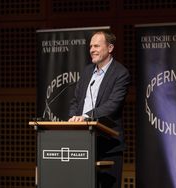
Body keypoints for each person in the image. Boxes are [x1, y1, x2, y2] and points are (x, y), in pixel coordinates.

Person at [68, 30, 131, 188]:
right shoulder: (87, 71)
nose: (92, 50)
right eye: (90, 46)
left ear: (110, 48)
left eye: (96, 45)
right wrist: (73, 118)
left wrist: (86, 117)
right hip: (83, 143)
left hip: (108, 145)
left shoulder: (121, 73)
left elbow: (112, 105)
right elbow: (76, 101)